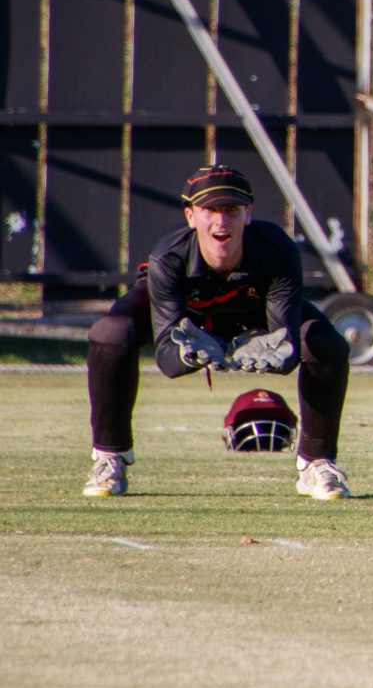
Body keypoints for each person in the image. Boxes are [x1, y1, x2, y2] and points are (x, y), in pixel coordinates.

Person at [83, 164, 355, 501]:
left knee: (325, 342)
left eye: (231, 210)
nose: (221, 221)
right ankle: (110, 457)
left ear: (248, 214)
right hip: (188, 319)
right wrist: (187, 354)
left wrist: (271, 351)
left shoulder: (276, 249)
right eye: (210, 210)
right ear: (191, 216)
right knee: (110, 332)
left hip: (253, 314)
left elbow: (284, 346)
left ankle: (317, 463)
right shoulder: (169, 257)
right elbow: (167, 358)